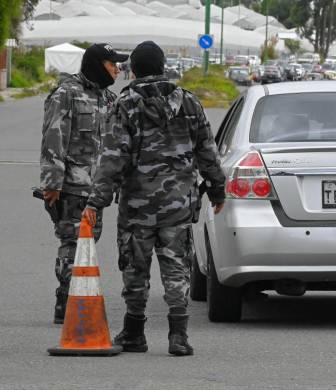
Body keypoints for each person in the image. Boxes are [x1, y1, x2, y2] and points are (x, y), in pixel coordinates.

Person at [82, 41, 226, 356]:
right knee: (177, 266)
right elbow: (208, 152)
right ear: (162, 67)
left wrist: (95, 202)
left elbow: (112, 159)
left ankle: (134, 332)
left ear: (134, 69)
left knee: (135, 267)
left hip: (137, 205)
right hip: (178, 204)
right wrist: (217, 189)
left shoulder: (126, 104)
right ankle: (179, 335)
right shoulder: (190, 102)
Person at [40, 43, 127, 324]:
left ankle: (76, 297)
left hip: (97, 190)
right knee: (72, 242)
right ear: (96, 64)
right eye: (111, 63)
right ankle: (65, 300)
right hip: (71, 187)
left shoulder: (110, 99)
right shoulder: (67, 94)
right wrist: (52, 183)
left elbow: (115, 145)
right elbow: (54, 139)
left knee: (89, 243)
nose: (117, 68)